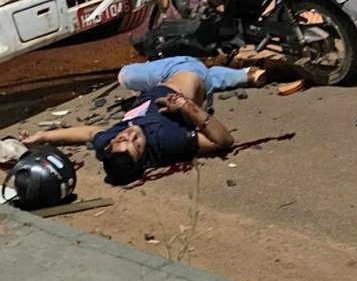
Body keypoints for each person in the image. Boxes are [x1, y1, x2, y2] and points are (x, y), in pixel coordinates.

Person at [22, 56, 266, 185]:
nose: (129, 134)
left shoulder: (111, 149)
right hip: (183, 71)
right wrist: (187, 107)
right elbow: (223, 141)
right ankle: (220, 67)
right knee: (125, 75)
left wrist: (44, 137)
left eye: (121, 138)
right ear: (143, 157)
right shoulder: (166, 141)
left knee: (207, 79)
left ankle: (242, 75)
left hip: (188, 82)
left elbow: (88, 134)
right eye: (135, 143)